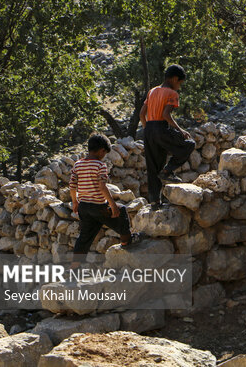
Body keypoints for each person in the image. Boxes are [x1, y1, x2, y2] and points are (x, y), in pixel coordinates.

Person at [70, 134, 140, 269]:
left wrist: (75, 202)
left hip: (83, 207)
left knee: (84, 236)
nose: (104, 156)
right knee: (122, 210)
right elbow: (102, 187)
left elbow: (72, 186)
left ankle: (74, 266)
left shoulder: (78, 165)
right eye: (104, 153)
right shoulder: (100, 165)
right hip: (98, 206)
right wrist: (113, 205)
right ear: (102, 150)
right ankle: (126, 240)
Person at [140, 64, 195, 210]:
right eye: (180, 83)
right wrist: (180, 130)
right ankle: (168, 170)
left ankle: (154, 202)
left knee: (153, 166)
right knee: (189, 144)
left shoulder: (152, 91)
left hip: (148, 130)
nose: (179, 87)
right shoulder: (172, 94)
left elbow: (141, 114)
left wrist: (148, 130)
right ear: (175, 79)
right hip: (161, 127)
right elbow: (166, 115)